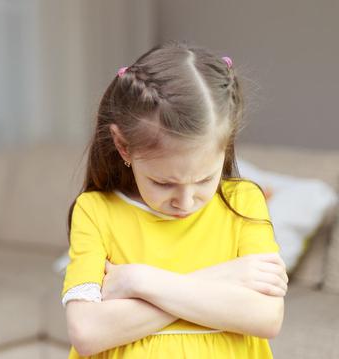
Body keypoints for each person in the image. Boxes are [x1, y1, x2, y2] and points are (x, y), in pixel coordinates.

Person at [62, 42, 287, 358]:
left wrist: (139, 281)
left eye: (204, 180)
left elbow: (265, 317)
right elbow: (87, 333)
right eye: (164, 183)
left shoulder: (244, 201)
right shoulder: (96, 211)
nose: (185, 201)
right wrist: (223, 277)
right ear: (123, 146)